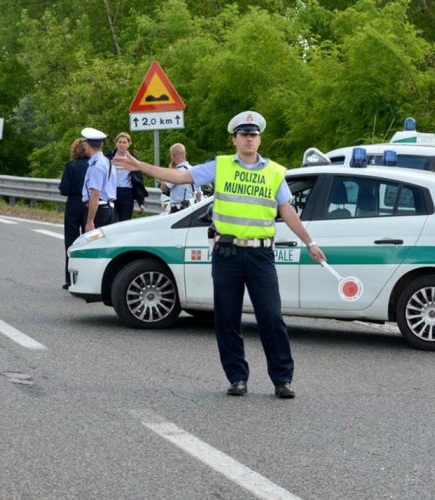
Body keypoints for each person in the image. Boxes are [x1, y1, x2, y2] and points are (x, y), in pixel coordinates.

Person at [113, 110, 326, 399]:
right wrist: (140, 166)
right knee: (226, 319)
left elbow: (287, 211)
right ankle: (237, 377)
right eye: (244, 135)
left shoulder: (275, 172)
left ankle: (282, 379)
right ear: (235, 139)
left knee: (271, 318)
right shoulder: (221, 166)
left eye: (253, 135)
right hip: (227, 253)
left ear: (259, 139)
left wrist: (310, 242)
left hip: (260, 256)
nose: (249, 139)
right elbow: (178, 175)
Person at [59, 138, 90, 289]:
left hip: (74, 203)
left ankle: (69, 279)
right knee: (89, 240)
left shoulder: (71, 166)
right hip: (90, 203)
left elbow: (63, 189)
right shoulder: (94, 165)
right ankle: (87, 278)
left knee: (71, 241)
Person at [105, 132, 147, 221]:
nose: (122, 144)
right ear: (116, 143)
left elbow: (138, 181)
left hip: (126, 193)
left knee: (124, 221)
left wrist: (141, 202)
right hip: (111, 192)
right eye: (120, 142)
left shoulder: (133, 159)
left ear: (128, 144)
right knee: (110, 221)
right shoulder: (107, 157)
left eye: (124, 142)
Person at [81, 127, 116, 231]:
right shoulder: (107, 161)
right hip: (108, 209)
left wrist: (90, 221)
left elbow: (95, 195)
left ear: (87, 145)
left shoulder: (96, 166)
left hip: (99, 211)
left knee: (93, 245)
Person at [160, 143, 202, 213]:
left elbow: (164, 188)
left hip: (179, 210)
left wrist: (169, 171)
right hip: (193, 209)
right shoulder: (194, 170)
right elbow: (199, 194)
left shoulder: (176, 172)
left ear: (173, 155)